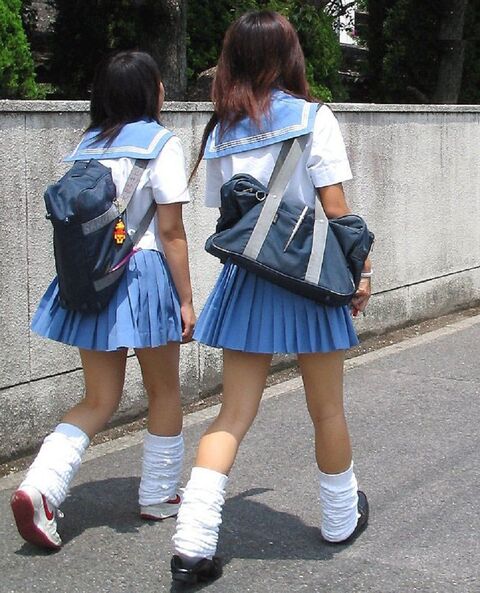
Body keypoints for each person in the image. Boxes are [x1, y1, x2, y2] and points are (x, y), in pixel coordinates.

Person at [170, 10, 372, 584]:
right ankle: (340, 520)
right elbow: (336, 209)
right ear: (289, 56)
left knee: (232, 414)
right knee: (326, 409)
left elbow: (229, 215)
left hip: (250, 284)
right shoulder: (314, 117)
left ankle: (191, 544)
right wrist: (361, 272)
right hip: (309, 280)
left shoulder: (221, 129)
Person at [10, 51, 195, 550]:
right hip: (144, 276)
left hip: (93, 279)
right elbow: (171, 232)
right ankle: (159, 495)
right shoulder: (162, 144)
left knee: (98, 398)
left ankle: (39, 487)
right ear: (151, 91)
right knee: (163, 391)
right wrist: (186, 300)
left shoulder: (88, 144)